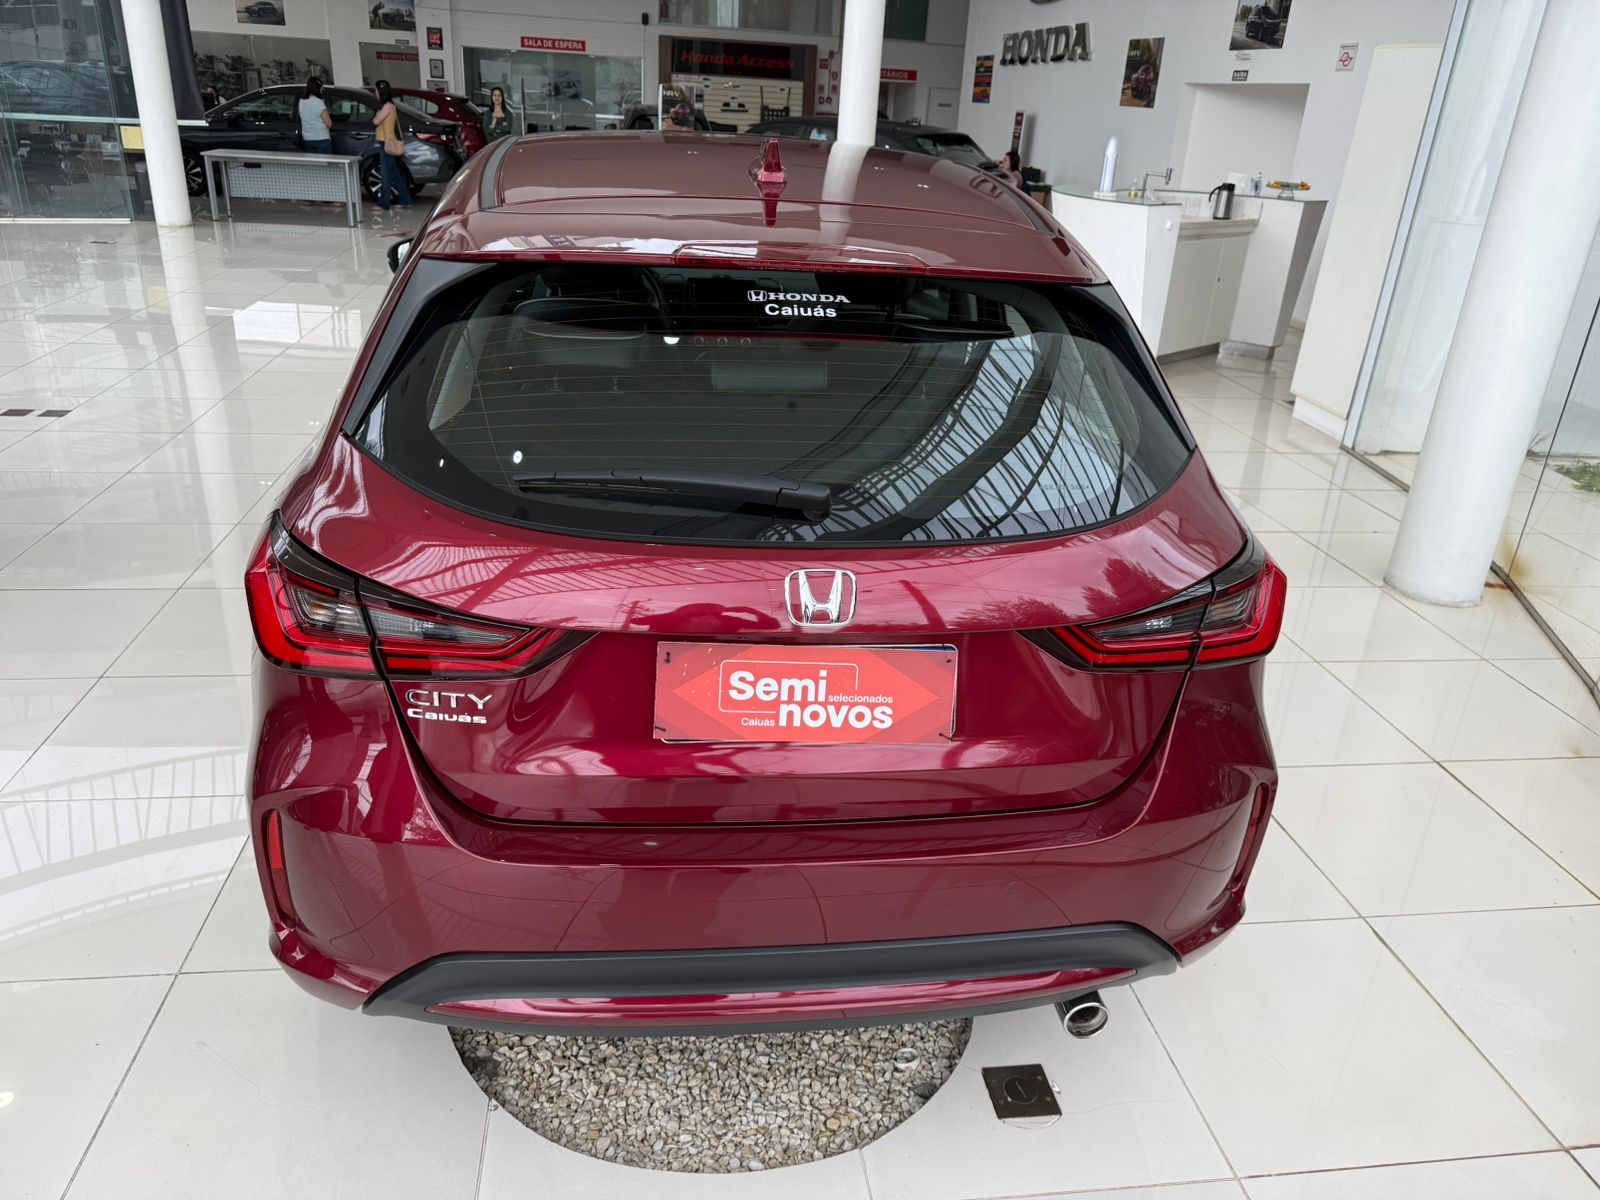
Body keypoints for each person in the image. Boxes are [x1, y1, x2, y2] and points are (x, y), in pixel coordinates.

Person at [371, 78, 413, 211]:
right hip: (386, 142)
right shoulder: (388, 106)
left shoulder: (388, 106)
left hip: (387, 144)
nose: (375, 93)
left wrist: (376, 116)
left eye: (376, 90)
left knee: (386, 174)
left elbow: (376, 121)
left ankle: (384, 203)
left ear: (381, 91)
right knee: (394, 173)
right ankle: (405, 200)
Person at [298, 76, 332, 153]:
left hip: (307, 139)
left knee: (313, 161)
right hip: (321, 138)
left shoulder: (301, 101)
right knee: (325, 161)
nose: (322, 90)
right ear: (318, 88)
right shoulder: (318, 102)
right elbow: (329, 123)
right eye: (322, 88)